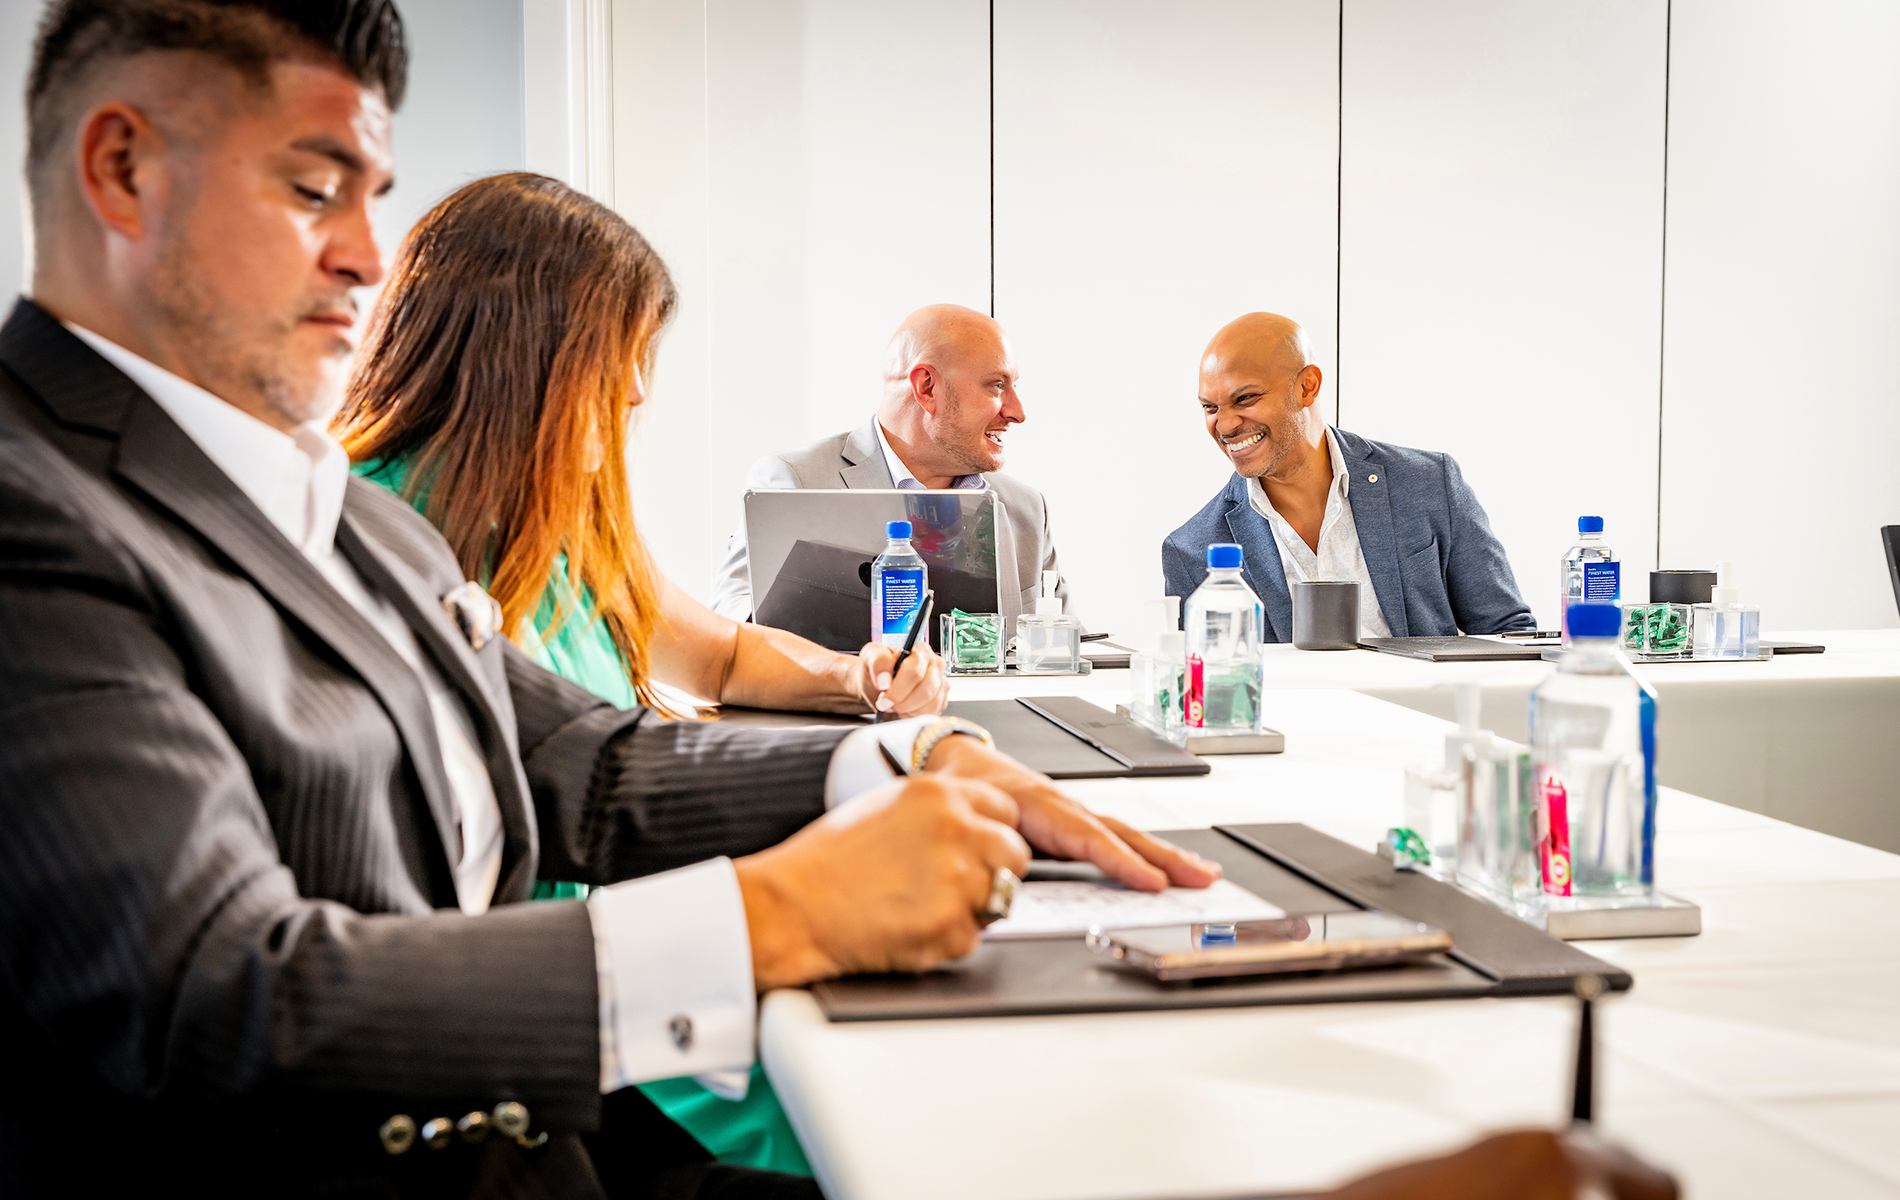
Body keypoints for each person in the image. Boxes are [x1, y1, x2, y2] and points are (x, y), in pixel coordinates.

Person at [0, 2, 1218, 1194]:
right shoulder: (35, 512)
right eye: (316, 189)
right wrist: (774, 915)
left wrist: (900, 761)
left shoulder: (334, 510)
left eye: (372, 199)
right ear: (124, 170)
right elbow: (214, 997)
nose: (367, 257)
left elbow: (582, 762)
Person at [334, 171, 947, 1175]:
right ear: (521, 352)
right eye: (615, 354)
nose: (633, 392)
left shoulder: (563, 519)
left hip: (626, 941)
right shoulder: (363, 536)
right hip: (543, 1001)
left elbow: (723, 653)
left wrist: (860, 680)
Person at [1164, 313, 1533, 642]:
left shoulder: (1430, 485)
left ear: (1307, 386)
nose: (1225, 425)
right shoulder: (1192, 551)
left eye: (1245, 398)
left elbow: (1508, 634)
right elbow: (1209, 682)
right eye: (1210, 407)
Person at [709, 303, 1067, 621]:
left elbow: (1067, 648)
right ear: (926, 387)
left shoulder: (1027, 510)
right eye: (997, 386)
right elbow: (730, 618)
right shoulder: (796, 481)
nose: (1017, 412)